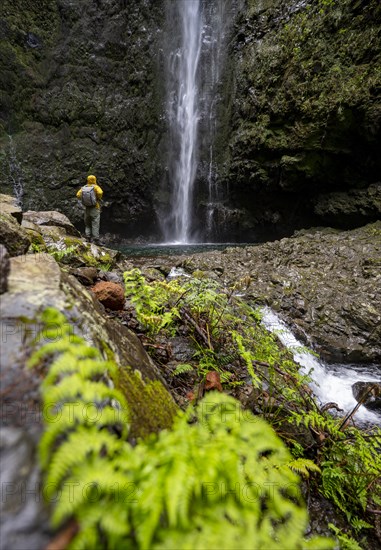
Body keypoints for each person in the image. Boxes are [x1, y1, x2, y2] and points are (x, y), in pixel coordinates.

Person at [76, 175, 103, 243]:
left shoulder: (84, 188)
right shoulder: (95, 187)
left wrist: (84, 199)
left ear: (87, 180)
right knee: (95, 223)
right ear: (94, 180)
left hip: (87, 208)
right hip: (95, 208)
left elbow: (78, 195)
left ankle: (87, 238)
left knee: (87, 224)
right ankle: (96, 239)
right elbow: (100, 192)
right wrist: (97, 197)